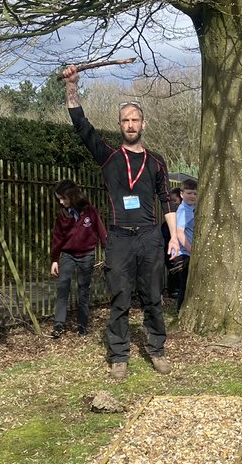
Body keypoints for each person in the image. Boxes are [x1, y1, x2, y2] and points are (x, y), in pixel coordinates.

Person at [63, 65, 178, 378]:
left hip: (151, 237)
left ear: (144, 123)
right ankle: (119, 356)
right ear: (119, 125)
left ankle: (157, 350)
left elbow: (167, 199)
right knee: (120, 298)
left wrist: (176, 236)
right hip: (119, 239)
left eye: (135, 119)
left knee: (154, 297)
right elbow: (81, 126)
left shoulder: (156, 162)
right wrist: (72, 86)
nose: (130, 125)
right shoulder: (110, 157)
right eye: (125, 120)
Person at [50, 179, 107, 337]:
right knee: (63, 287)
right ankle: (59, 324)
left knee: (83, 290)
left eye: (63, 198)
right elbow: (57, 238)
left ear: (72, 195)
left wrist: (108, 249)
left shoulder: (89, 211)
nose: (61, 202)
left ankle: (82, 325)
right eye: (58, 199)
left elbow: (101, 230)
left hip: (87, 255)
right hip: (68, 255)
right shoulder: (62, 214)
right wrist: (55, 259)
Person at [171, 177, 197, 309]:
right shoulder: (183, 210)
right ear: (182, 194)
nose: (192, 196)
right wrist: (192, 251)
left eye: (195, 193)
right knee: (185, 285)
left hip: (189, 252)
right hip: (184, 254)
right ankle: (180, 310)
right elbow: (180, 233)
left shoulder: (193, 208)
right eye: (189, 193)